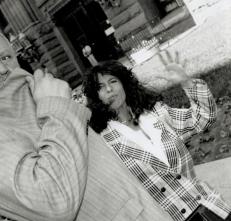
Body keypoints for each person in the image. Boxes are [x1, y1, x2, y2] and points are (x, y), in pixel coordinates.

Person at [0, 24, 173, 221]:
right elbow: (53, 203)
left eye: (5, 58)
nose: (1, 69)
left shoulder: (36, 93)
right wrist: (57, 107)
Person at [82, 57, 231, 221]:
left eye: (113, 81)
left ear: (124, 83)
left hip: (210, 207)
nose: (109, 89)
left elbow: (203, 118)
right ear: (96, 96)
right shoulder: (105, 143)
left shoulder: (155, 113)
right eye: (100, 87)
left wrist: (186, 82)